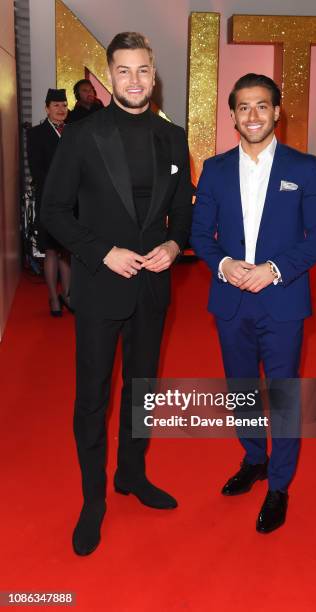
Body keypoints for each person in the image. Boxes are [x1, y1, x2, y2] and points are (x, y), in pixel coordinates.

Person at [41, 32, 192, 555]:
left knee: (143, 390)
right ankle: (93, 501)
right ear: (107, 78)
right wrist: (101, 251)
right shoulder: (84, 136)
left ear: (155, 75)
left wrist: (175, 244)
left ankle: (131, 474)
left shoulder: (173, 138)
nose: (134, 80)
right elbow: (53, 211)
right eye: (123, 71)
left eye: (143, 70)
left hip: (152, 287)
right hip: (101, 287)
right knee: (93, 398)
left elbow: (186, 209)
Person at [191, 73, 316, 534]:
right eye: (243, 107)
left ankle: (279, 484)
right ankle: (254, 458)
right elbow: (199, 236)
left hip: (283, 300)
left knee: (283, 395)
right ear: (232, 115)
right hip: (231, 300)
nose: (252, 115)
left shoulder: (305, 167)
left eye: (261, 106)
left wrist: (272, 269)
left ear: (277, 112)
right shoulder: (213, 170)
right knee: (241, 391)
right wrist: (225, 263)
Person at [27, 88, 72, 316]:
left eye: (64, 105)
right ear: (46, 108)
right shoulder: (35, 134)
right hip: (48, 199)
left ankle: (69, 294)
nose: (61, 109)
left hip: (73, 201)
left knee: (68, 249)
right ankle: (53, 297)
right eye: (56, 105)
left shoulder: (74, 132)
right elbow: (37, 170)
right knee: (51, 250)